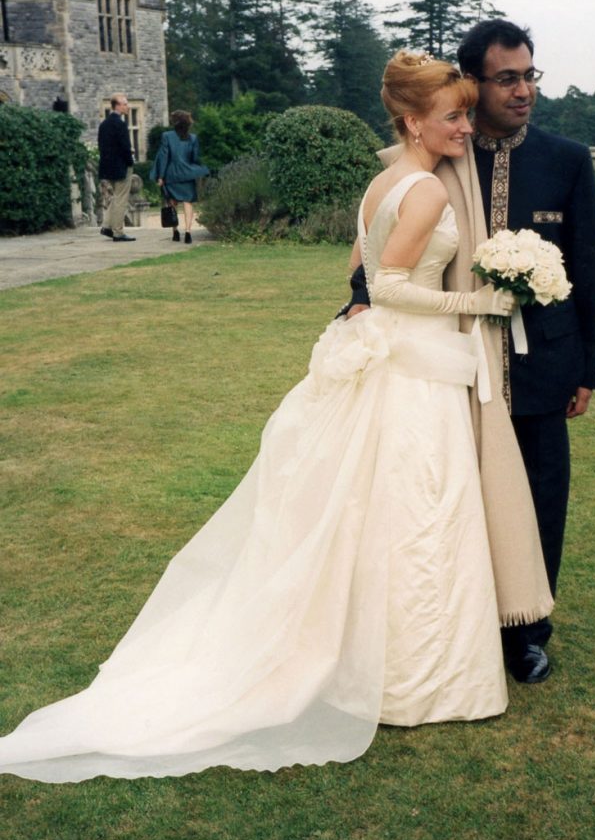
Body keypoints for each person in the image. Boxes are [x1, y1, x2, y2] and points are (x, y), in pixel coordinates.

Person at [0, 52, 552, 784]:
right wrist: (478, 302)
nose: (463, 125)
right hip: (415, 368)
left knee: (384, 513)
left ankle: (382, 660)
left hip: (398, 366)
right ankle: (415, 678)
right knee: (419, 515)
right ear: (412, 121)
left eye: (462, 113)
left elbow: (351, 271)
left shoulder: (382, 182)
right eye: (451, 115)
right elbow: (384, 288)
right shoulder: (423, 191)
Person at [345, 21, 595, 684]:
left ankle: (527, 633)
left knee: (542, 490)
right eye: (507, 78)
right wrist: (358, 299)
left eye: (529, 76)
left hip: (542, 360)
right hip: (451, 358)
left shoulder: (565, 159)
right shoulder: (446, 149)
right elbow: (386, 234)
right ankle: (461, 619)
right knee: (462, 492)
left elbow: (586, 268)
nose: (522, 91)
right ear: (473, 83)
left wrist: (586, 368)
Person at [151, 110, 209, 244]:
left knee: (172, 203)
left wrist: (160, 176)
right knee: (188, 202)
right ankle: (188, 232)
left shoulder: (166, 136)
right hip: (187, 174)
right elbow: (194, 158)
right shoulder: (193, 138)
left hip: (171, 174)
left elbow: (164, 157)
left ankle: (175, 232)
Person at [98, 93, 136, 243]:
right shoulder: (120, 124)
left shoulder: (104, 124)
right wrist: (130, 160)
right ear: (117, 106)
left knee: (115, 197)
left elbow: (103, 146)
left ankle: (107, 226)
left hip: (108, 166)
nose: (127, 106)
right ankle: (118, 232)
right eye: (125, 104)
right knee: (121, 199)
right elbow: (125, 147)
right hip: (121, 166)